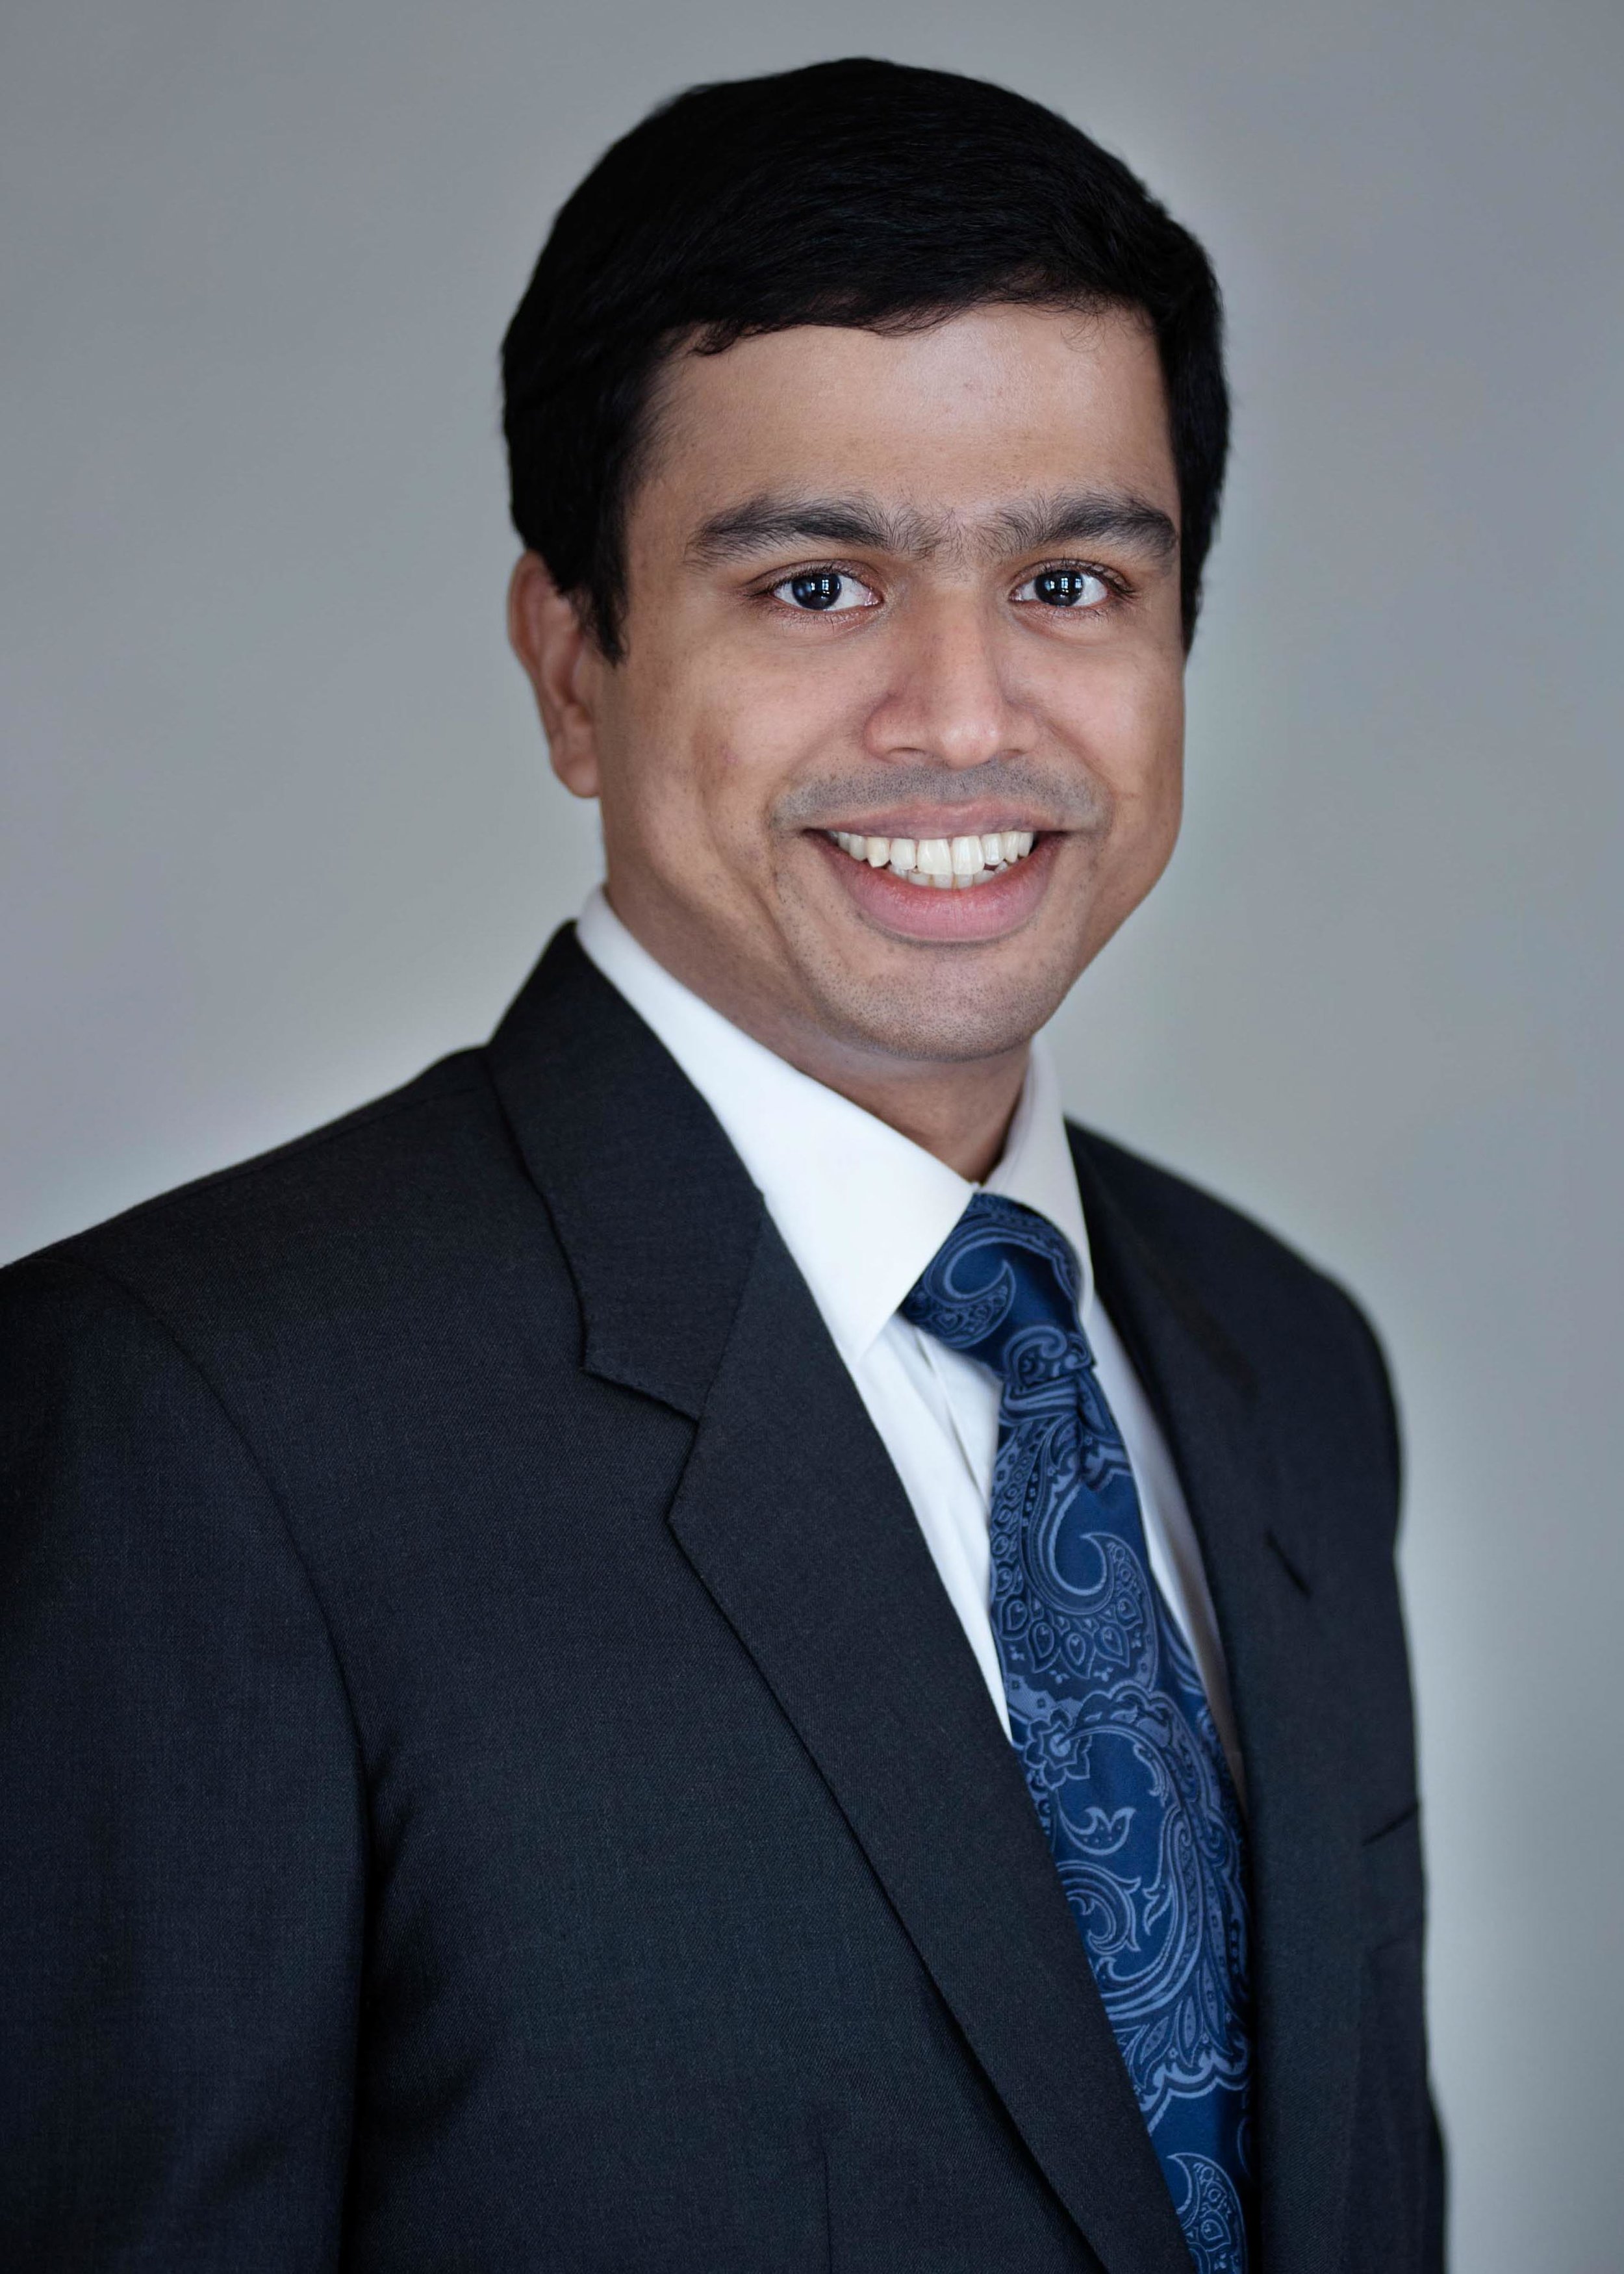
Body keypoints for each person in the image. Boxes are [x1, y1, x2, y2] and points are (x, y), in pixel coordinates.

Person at [0, 57, 1443, 2274]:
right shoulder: (187, 1421)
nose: (962, 716)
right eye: (814, 585)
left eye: (1070, 579)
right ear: (573, 664)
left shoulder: (1285, 1362)